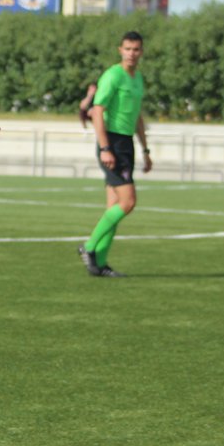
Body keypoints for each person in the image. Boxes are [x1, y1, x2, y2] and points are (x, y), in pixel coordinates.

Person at [78, 30, 152, 278]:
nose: (132, 53)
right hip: (112, 142)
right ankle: (89, 247)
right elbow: (97, 111)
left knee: (114, 206)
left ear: (141, 52)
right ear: (120, 50)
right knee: (128, 202)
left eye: (136, 49)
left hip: (126, 143)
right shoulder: (112, 75)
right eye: (127, 49)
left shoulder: (137, 78)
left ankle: (99, 263)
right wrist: (105, 148)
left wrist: (146, 150)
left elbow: (137, 116)